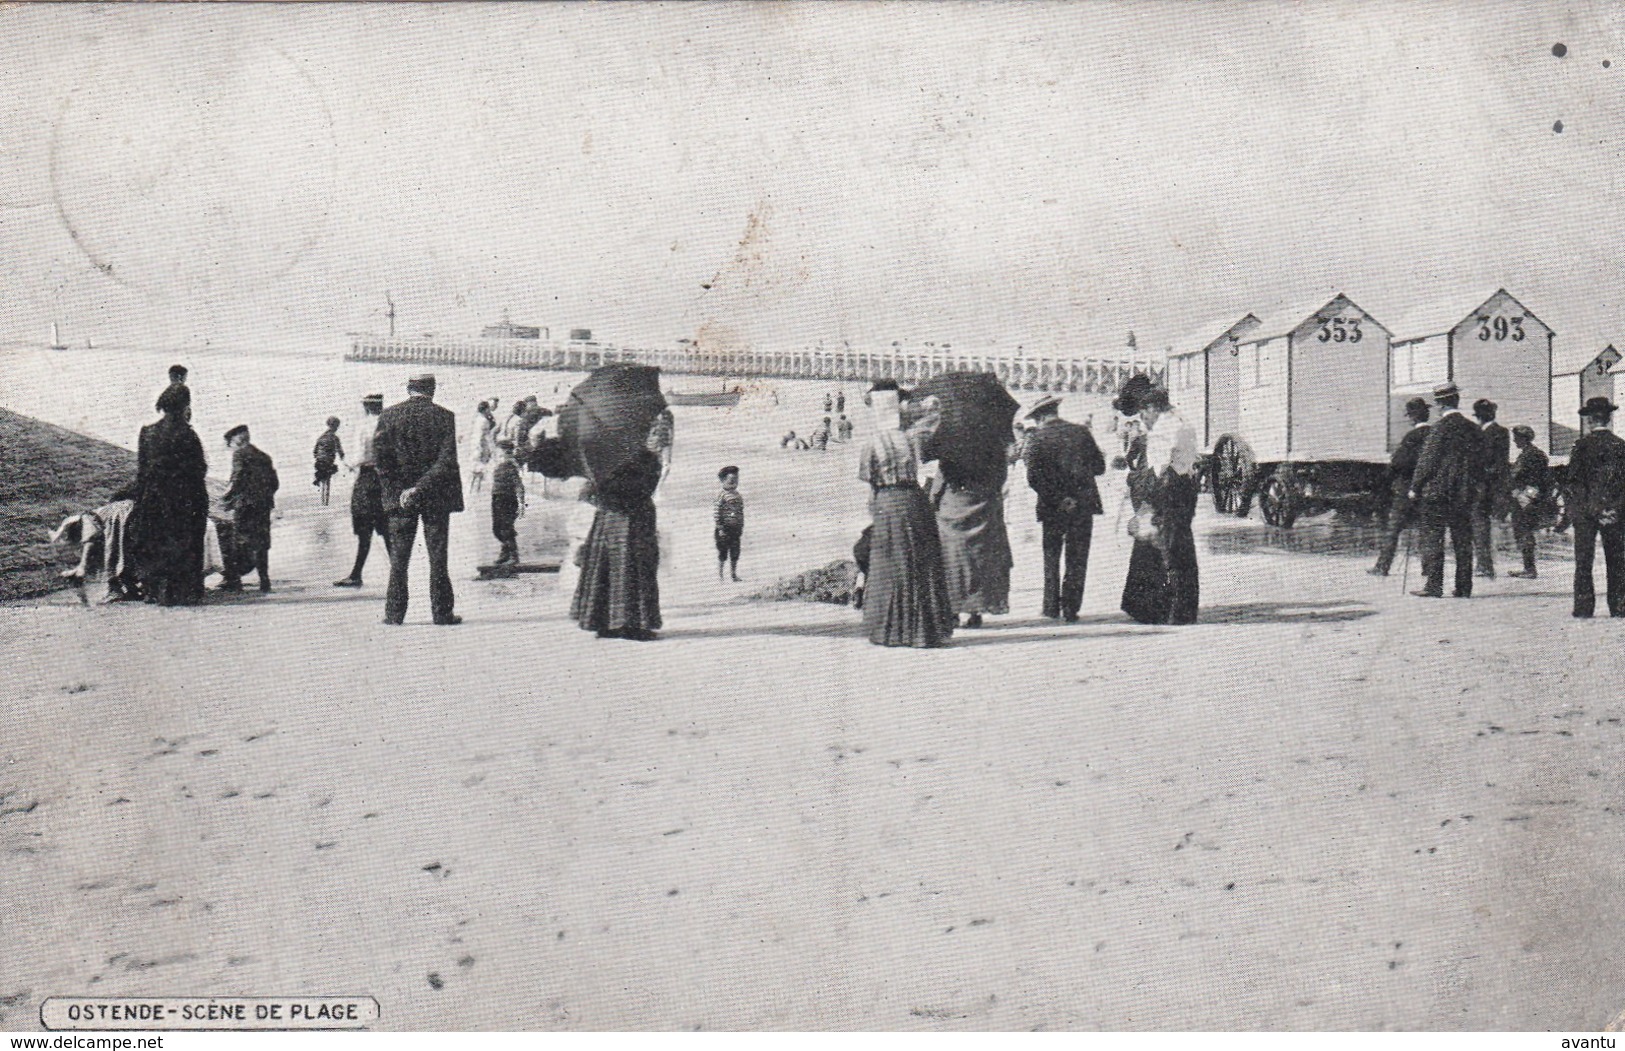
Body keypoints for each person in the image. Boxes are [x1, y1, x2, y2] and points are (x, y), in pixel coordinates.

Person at [857, 380, 954, 648]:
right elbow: (932, 425)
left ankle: (893, 630)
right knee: (920, 562)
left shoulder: (873, 444)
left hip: (888, 502)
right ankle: (924, 631)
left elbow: (871, 482)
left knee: (890, 565)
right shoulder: (912, 438)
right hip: (914, 500)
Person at [374, 374, 464, 625]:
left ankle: (394, 614)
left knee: (399, 560)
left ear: (408, 389)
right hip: (435, 496)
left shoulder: (388, 416)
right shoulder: (446, 417)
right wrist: (419, 487)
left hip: (400, 501)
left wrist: (402, 490)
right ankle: (442, 613)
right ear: (432, 390)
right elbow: (446, 461)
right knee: (438, 557)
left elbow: (381, 461)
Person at [1023, 394, 1105, 622]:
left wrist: (1059, 498)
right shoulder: (1081, 432)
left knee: (1051, 555)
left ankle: (1050, 606)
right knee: (1077, 556)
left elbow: (1033, 478)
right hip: (1083, 504)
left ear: (1039, 417)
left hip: (1052, 506)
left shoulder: (1036, 438)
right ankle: (1071, 608)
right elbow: (1099, 467)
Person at [571, 443, 663, 640]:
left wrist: (607, 498)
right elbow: (589, 492)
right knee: (625, 568)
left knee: (618, 568)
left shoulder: (608, 456)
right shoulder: (646, 458)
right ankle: (628, 625)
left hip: (621, 518)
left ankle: (609, 623)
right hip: (628, 517)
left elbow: (589, 492)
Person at [128, 384, 210, 606]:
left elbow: (142, 471)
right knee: (186, 543)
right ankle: (185, 593)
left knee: (156, 542)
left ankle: (156, 592)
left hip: (154, 499)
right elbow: (199, 469)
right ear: (184, 406)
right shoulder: (187, 434)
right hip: (185, 499)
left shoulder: (147, 432)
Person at [1408, 381, 1484, 599]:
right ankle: (1463, 587)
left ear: (1440, 404)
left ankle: (1434, 585)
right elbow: (1482, 462)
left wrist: (1415, 486)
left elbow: (1427, 461)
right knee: (1462, 539)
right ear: (1457, 400)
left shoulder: (1439, 429)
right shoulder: (1473, 428)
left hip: (1438, 493)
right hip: (1464, 493)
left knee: (1434, 538)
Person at [1136, 386, 1201, 624]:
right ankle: (1187, 608)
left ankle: (1177, 611)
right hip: (1186, 487)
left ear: (1152, 408)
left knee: (1172, 549)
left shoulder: (1164, 428)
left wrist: (1147, 501)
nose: (1144, 420)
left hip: (1171, 489)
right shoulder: (1182, 420)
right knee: (1184, 547)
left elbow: (1160, 468)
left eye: (1144, 413)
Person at [1562, 397, 1625, 617]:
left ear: (1589, 420)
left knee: (1583, 561)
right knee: (1617, 560)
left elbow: (1573, 483)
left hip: (1586, 514)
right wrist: (1612, 508)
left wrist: (1589, 509)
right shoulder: (1621, 446)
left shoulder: (1581, 446)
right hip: (1614, 513)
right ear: (1608, 418)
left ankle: (1583, 607)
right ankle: (1619, 606)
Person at [1369, 397, 1432, 576]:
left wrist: (1385, 481)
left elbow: (1398, 463)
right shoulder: (1435, 434)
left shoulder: (1411, 437)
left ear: (1412, 417)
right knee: (1425, 530)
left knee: (1393, 530)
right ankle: (1427, 568)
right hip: (1428, 491)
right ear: (1426, 414)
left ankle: (1383, 566)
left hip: (1406, 491)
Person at [335, 394, 389, 588]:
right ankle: (397, 573)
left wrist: (345, 463)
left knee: (364, 530)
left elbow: (360, 456)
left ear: (365, 407)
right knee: (386, 530)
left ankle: (356, 574)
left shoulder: (364, 426)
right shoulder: (390, 423)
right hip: (386, 480)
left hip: (367, 479)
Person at [218, 425, 279, 593]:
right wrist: (264, 497)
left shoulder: (240, 454)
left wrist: (224, 499)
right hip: (263, 506)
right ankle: (264, 580)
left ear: (238, 439)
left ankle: (234, 580)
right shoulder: (265, 457)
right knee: (261, 543)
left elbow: (236, 480)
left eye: (230, 442)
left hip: (245, 507)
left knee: (238, 541)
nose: (230, 446)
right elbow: (275, 483)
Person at [1472, 398, 1511, 578]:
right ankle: (1484, 564)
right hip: (1495, 486)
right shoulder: (1502, 432)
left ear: (1479, 416)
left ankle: (1484, 565)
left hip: (1483, 486)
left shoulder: (1480, 434)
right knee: (1485, 526)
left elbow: (1488, 461)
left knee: (1480, 525)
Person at [1507, 424, 1552, 579]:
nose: (1514, 441)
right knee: (1525, 531)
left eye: (1516, 438)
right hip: (1530, 497)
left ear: (1523, 438)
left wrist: (1524, 495)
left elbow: (1523, 476)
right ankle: (1528, 567)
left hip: (1526, 499)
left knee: (1524, 531)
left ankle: (1530, 569)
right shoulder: (1534, 453)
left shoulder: (1530, 455)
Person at [490, 439, 524, 565]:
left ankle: (513, 555)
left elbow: (519, 485)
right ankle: (505, 552)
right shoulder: (499, 463)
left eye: (502, 452)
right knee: (497, 528)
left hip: (507, 499)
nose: (500, 455)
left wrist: (521, 502)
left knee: (506, 527)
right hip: (496, 497)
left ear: (508, 452)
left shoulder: (511, 465)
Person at [714, 465, 745, 582]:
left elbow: (740, 511)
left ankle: (733, 574)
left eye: (736, 480)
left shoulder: (737, 495)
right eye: (731, 480)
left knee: (735, 552)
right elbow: (717, 512)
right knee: (723, 552)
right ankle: (720, 575)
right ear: (723, 481)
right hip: (724, 528)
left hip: (735, 527)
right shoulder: (721, 495)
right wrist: (720, 527)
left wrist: (741, 524)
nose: (734, 483)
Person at [312, 417, 343, 506]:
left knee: (323, 475)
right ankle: (325, 501)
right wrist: (342, 458)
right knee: (331, 473)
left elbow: (315, 451)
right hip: (328, 462)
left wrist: (318, 457)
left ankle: (319, 481)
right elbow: (340, 450)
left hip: (319, 462)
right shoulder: (334, 438)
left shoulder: (321, 437)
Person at [468, 400, 495, 495]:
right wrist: (491, 449)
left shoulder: (477, 419)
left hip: (474, 446)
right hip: (481, 447)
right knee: (480, 470)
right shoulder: (484, 421)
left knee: (475, 471)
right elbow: (486, 437)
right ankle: (477, 491)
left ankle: (472, 491)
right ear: (486, 409)